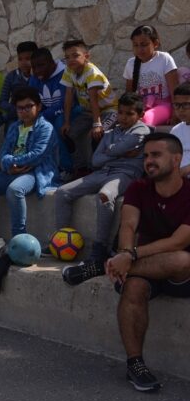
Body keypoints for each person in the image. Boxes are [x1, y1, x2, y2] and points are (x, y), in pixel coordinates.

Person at [70, 133, 190, 392]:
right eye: (146, 156)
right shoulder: (138, 188)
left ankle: (102, 267)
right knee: (133, 287)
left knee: (182, 259)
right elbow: (128, 224)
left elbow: (178, 242)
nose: (148, 161)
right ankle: (135, 364)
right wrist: (124, 252)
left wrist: (130, 257)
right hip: (145, 265)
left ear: (176, 158)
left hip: (181, 272)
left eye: (156, 155)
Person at [57, 93, 149, 278]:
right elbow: (96, 160)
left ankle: (100, 248)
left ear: (140, 115)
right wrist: (117, 152)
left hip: (125, 173)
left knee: (105, 196)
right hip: (102, 172)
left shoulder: (142, 131)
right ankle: (59, 239)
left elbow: (117, 149)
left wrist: (112, 151)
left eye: (129, 114)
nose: (123, 118)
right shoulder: (111, 133)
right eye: (120, 113)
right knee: (62, 192)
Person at [0, 87, 58, 250]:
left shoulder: (45, 128)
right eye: (20, 108)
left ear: (38, 106)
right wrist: (8, 165)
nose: (24, 111)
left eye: (28, 106)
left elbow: (37, 155)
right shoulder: (14, 127)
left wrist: (11, 161)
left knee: (14, 189)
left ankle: (19, 237)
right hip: (12, 170)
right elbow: (3, 152)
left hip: (35, 171)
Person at [60, 39, 117, 175]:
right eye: (67, 57)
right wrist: (67, 122)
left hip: (108, 111)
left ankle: (97, 169)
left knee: (97, 134)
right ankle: (81, 168)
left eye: (75, 55)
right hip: (89, 112)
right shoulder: (69, 70)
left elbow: (94, 100)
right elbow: (68, 97)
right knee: (68, 134)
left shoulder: (92, 72)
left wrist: (97, 124)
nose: (71, 60)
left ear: (86, 56)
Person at [28, 48, 74, 174]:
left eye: (41, 65)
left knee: (58, 124)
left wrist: (41, 117)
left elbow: (65, 103)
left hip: (70, 111)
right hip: (46, 114)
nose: (37, 70)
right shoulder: (35, 78)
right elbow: (31, 101)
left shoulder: (65, 73)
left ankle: (66, 168)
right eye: (34, 67)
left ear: (52, 62)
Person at [124, 25, 178, 127]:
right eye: (135, 45)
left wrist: (175, 114)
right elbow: (129, 94)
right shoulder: (131, 63)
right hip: (141, 106)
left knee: (143, 121)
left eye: (144, 45)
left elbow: (174, 91)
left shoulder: (164, 59)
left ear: (155, 43)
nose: (140, 49)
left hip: (164, 105)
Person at [0, 41, 38, 131]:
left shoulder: (39, 75)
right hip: (15, 114)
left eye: (28, 59)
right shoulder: (12, 76)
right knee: (11, 126)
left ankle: (1, 119)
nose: (23, 62)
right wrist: (16, 109)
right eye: (20, 59)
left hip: (35, 112)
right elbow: (2, 101)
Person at [168, 83, 190, 176]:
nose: (180, 110)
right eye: (177, 105)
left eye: (185, 105)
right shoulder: (175, 131)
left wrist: (183, 171)